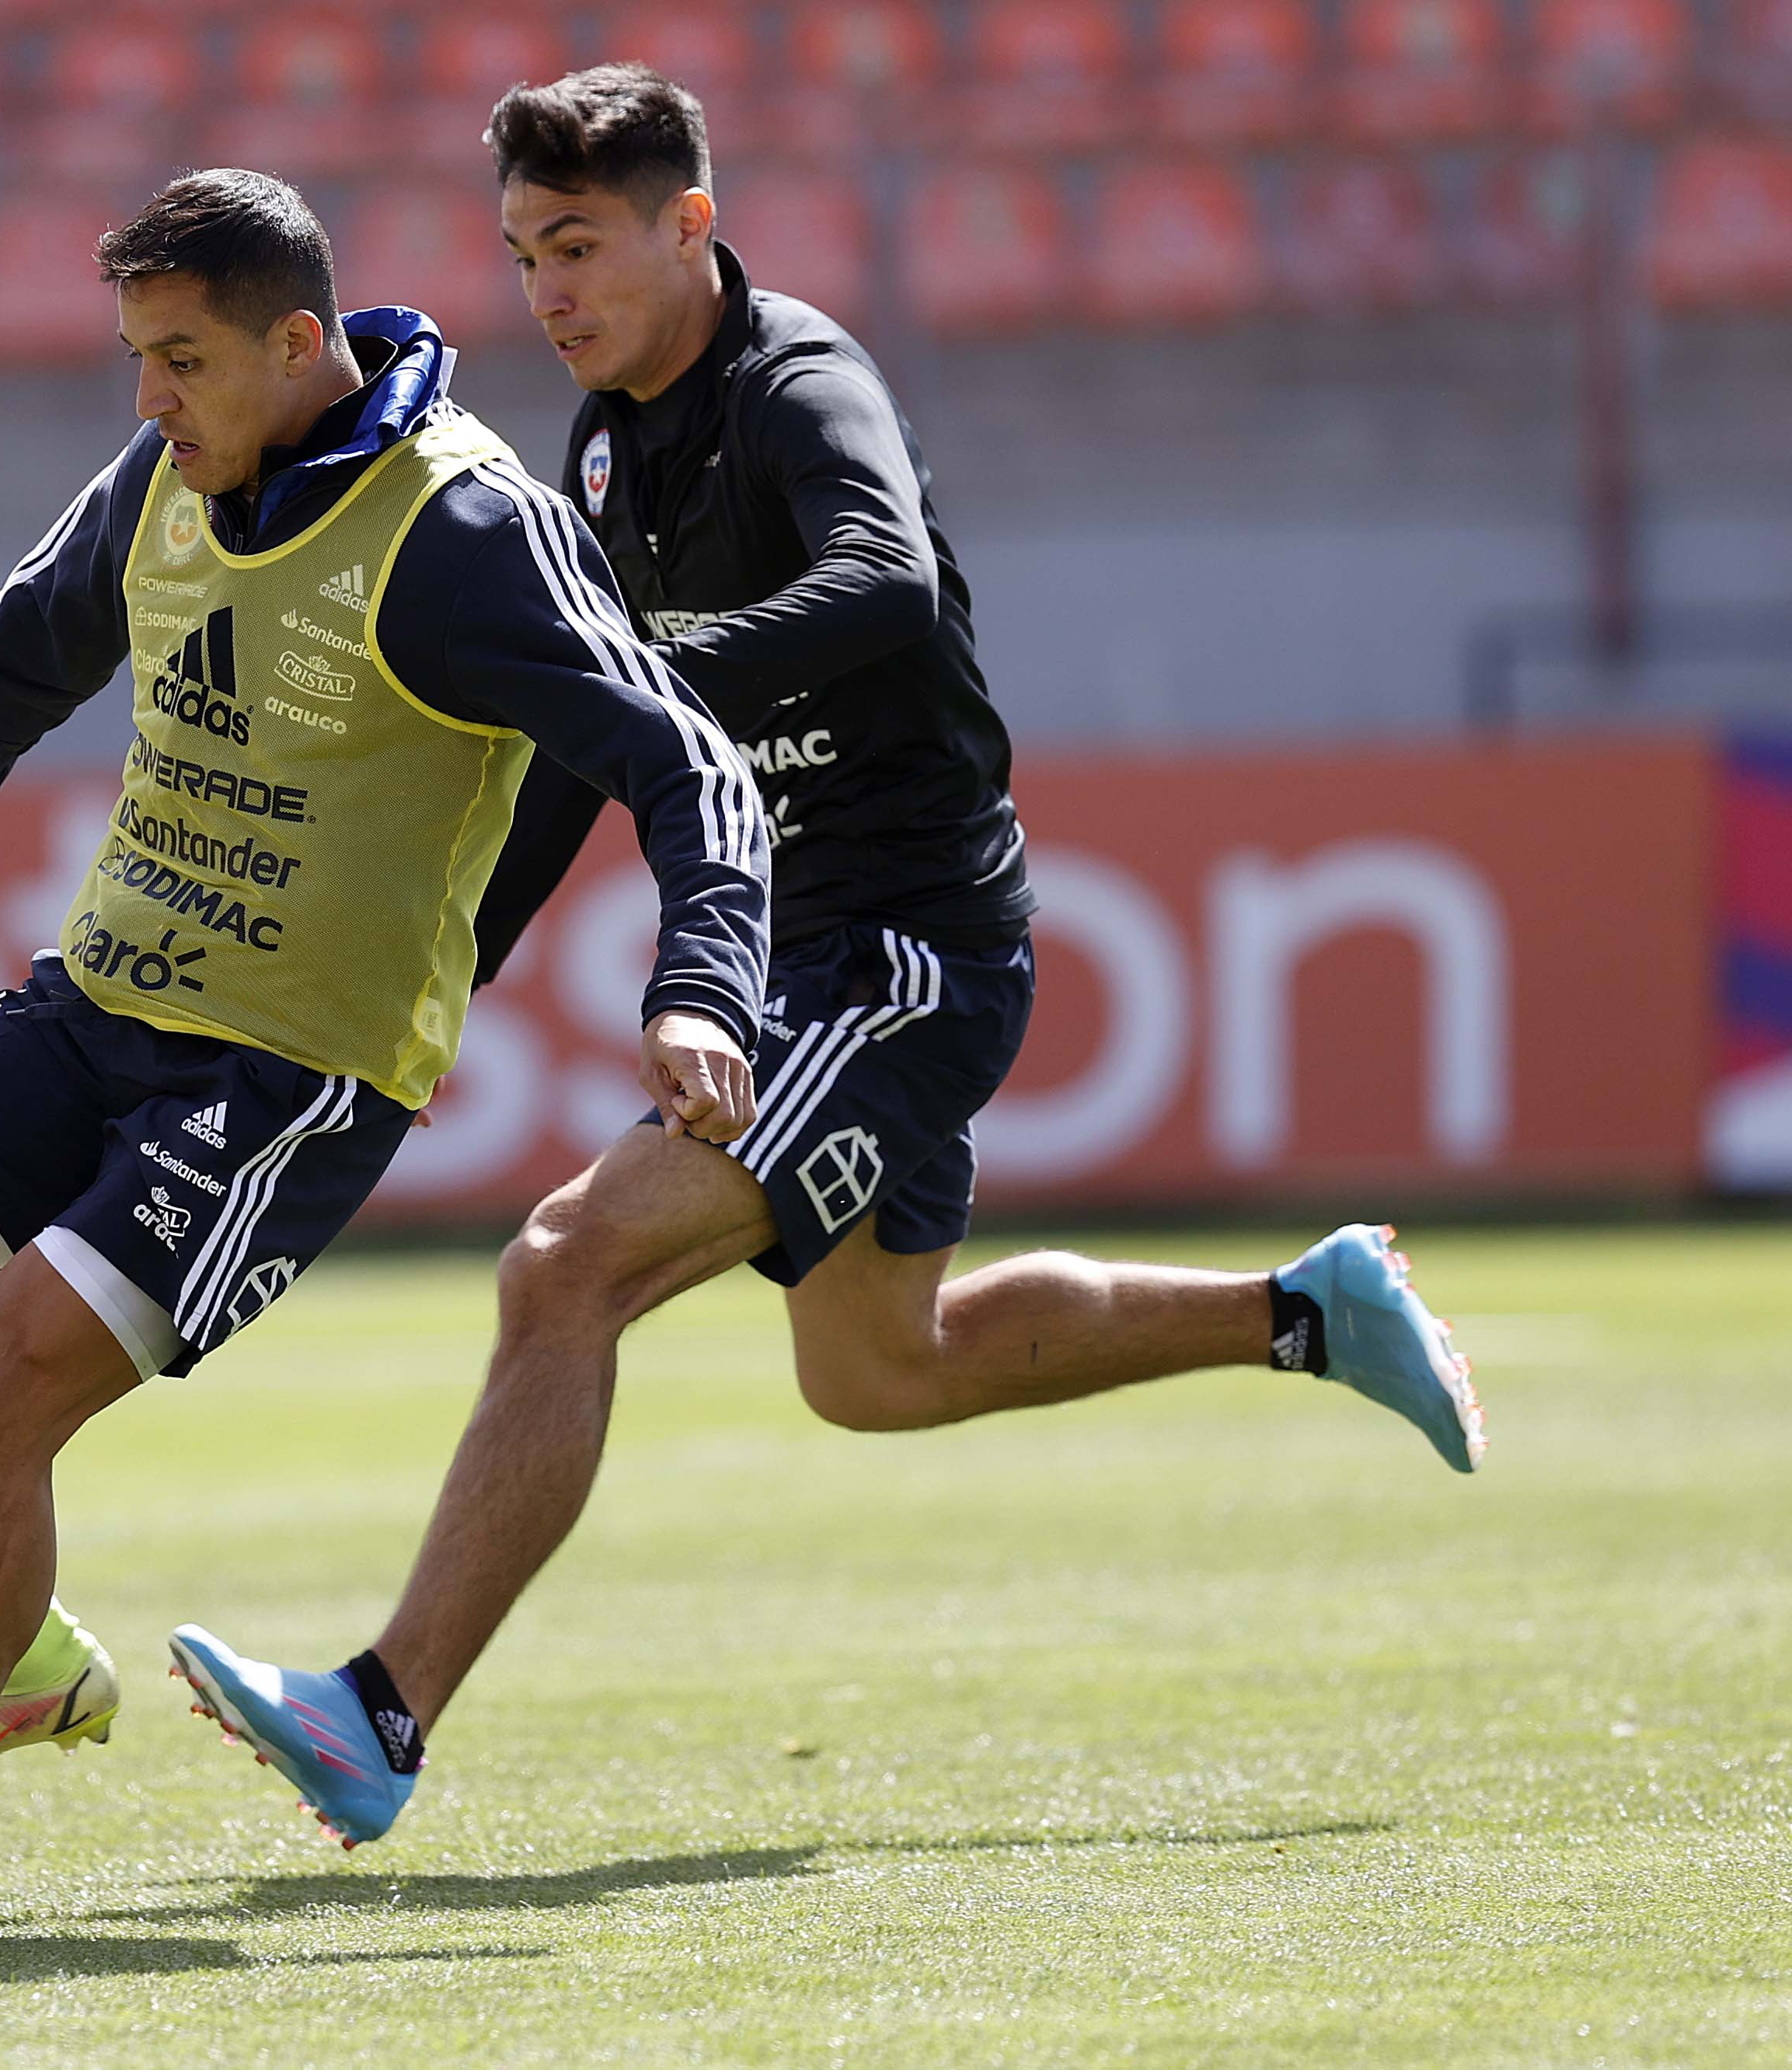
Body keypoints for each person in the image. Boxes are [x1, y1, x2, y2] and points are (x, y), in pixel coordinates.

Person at [166, 65, 1488, 1851]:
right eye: (517, 252)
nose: (545, 290)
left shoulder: (798, 382)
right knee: (879, 1370)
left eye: (577, 246)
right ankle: (1305, 1308)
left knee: (562, 1267)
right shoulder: (605, 447)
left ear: (687, 226)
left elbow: (880, 581)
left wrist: (651, 684)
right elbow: (581, 754)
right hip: (815, 952)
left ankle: (379, 1710)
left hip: (902, 942)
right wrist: (436, 971)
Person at [0, 168, 772, 1941]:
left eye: (176, 359)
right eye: (131, 356)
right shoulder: (172, 474)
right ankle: (16, 1645)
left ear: (297, 343)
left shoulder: (462, 529)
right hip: (97, 1002)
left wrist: (701, 984)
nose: (145, 399)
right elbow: (20, 647)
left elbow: (685, 759)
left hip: (279, 1076)